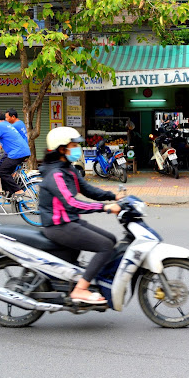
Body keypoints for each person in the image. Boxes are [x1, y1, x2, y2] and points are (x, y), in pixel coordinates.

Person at [39, 127, 123, 305]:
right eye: (74, 145)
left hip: (69, 221)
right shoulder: (56, 175)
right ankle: (80, 289)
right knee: (105, 246)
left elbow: (87, 189)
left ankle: (94, 279)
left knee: (111, 239)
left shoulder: (68, 169)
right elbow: (72, 203)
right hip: (58, 225)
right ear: (62, 149)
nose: (78, 148)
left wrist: (113, 196)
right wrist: (106, 208)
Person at [0, 110, 31, 198]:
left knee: (2, 171)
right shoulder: (6, 124)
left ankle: (17, 190)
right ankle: (8, 192)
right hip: (22, 151)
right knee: (6, 169)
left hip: (17, 153)